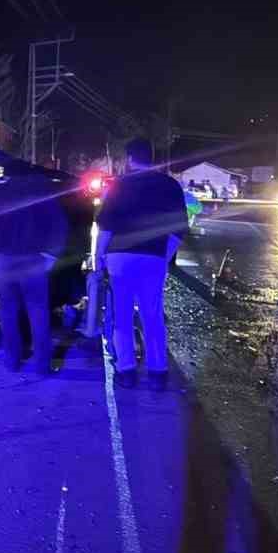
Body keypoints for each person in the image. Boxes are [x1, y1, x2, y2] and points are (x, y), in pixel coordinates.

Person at [95, 138, 190, 387]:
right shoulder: (170, 186)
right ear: (152, 158)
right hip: (153, 258)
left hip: (120, 258)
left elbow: (105, 228)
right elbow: (179, 230)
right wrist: (163, 257)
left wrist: (99, 260)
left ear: (129, 159)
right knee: (152, 314)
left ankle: (126, 371)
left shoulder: (118, 186)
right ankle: (157, 372)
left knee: (122, 315)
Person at [0, 170, 68, 374]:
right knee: (38, 311)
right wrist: (51, 255)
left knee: (8, 312)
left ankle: (12, 361)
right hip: (34, 259)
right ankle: (42, 364)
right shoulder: (41, 194)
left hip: (4, 259)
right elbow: (60, 225)